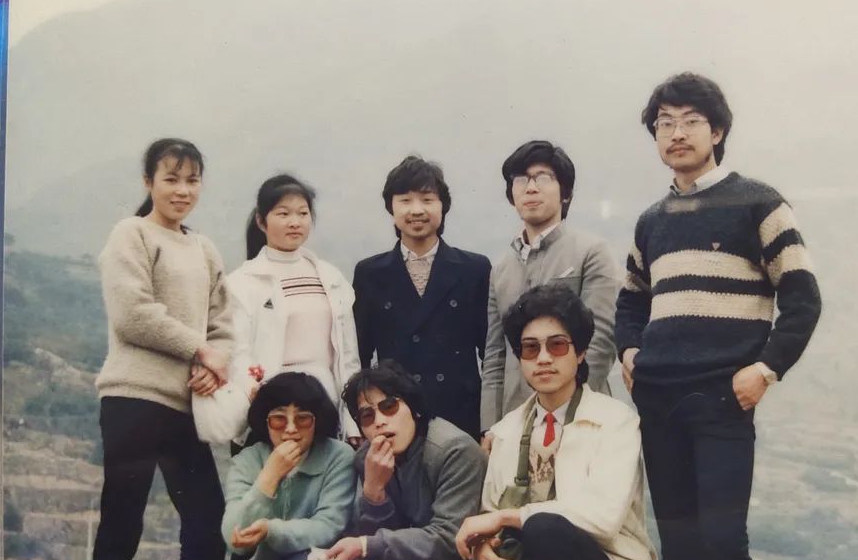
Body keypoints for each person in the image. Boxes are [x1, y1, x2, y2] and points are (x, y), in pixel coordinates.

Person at [615, 72, 822, 560]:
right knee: (680, 550)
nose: (677, 134)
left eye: (690, 121)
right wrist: (630, 355)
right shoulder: (651, 221)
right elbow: (630, 300)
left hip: (723, 398)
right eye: (664, 124)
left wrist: (766, 370)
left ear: (719, 130)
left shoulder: (760, 204)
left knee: (723, 545)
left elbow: (803, 299)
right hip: (659, 399)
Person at [435, 284, 656, 560]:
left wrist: (508, 518)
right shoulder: (506, 430)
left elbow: (603, 517)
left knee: (545, 528)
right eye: (530, 348)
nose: (543, 358)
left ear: (580, 353)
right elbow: (490, 512)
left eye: (557, 345)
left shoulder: (615, 421)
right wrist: (483, 550)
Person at [92, 138, 231, 560]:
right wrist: (199, 349)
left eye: (192, 180)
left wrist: (213, 363)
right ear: (148, 182)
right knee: (122, 524)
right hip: (133, 399)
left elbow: (222, 324)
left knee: (208, 523)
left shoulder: (204, 248)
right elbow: (132, 314)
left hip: (186, 407)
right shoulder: (131, 233)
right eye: (171, 179)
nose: (182, 190)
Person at [307, 361, 487, 560]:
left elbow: (449, 537)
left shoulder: (454, 450)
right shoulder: (368, 459)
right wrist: (374, 491)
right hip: (413, 556)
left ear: (413, 409)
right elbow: (380, 538)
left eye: (389, 406)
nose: (380, 422)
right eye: (367, 416)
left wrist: (365, 545)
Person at [480, 141, 619, 451]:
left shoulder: (591, 252)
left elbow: (600, 341)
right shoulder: (501, 268)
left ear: (565, 192)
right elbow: (495, 356)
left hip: (581, 421)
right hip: (515, 423)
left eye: (543, 177)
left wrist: (571, 411)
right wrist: (491, 426)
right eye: (521, 179)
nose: (531, 188)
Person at [352, 156, 491, 441]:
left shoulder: (474, 269)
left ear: (443, 206)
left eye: (427, 200)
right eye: (405, 200)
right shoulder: (369, 273)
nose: (417, 210)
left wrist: (490, 423)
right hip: (395, 416)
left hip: (461, 414)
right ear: (391, 207)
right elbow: (360, 355)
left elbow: (490, 354)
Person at [226, 174, 361, 444]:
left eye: (302, 213)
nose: (295, 222)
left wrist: (352, 422)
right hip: (271, 409)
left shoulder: (331, 278)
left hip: (323, 406)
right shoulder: (241, 282)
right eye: (283, 213)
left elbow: (348, 357)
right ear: (261, 221)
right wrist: (257, 394)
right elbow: (237, 352)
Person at [212, 372, 355, 560]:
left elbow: (329, 526)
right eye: (279, 419)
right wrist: (269, 477)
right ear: (265, 422)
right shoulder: (247, 460)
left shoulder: (339, 456)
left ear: (317, 421)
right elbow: (234, 537)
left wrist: (271, 530)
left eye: (303, 419)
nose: (290, 429)